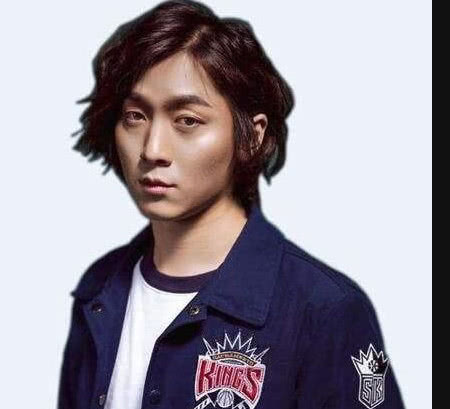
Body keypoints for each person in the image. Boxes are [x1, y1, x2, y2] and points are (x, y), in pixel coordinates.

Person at [57, 1, 406, 408]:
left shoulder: (324, 309)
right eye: (135, 116)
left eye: (187, 120)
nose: (152, 149)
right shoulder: (99, 289)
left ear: (252, 137)